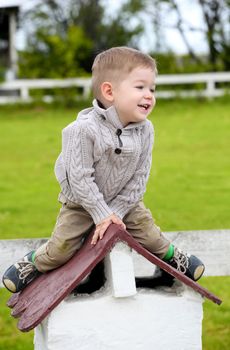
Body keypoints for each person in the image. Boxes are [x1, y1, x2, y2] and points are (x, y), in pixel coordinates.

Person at [2, 47, 205, 294]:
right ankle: (33, 262)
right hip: (82, 203)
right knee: (61, 249)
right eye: (140, 87)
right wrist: (100, 214)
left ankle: (176, 257)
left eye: (152, 88)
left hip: (125, 202)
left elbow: (140, 177)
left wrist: (115, 214)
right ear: (109, 91)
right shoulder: (81, 130)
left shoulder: (146, 130)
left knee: (151, 235)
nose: (149, 95)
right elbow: (79, 178)